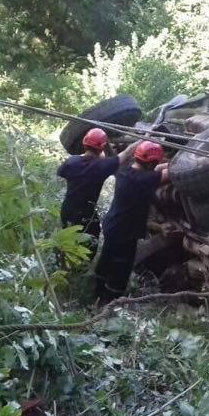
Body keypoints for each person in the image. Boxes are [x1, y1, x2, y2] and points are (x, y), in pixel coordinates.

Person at [94, 140, 169, 304]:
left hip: (112, 225)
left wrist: (162, 164)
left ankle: (94, 296)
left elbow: (156, 170)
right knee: (121, 269)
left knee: (106, 260)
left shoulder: (125, 172)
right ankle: (110, 304)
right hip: (125, 232)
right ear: (151, 163)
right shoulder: (144, 180)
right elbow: (169, 173)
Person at [56, 128, 136, 260]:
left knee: (66, 239)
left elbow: (62, 173)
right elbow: (127, 153)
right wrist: (147, 136)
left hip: (67, 208)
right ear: (103, 148)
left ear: (84, 143)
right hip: (85, 214)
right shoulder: (103, 166)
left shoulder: (71, 162)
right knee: (89, 244)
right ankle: (82, 271)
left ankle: (62, 266)